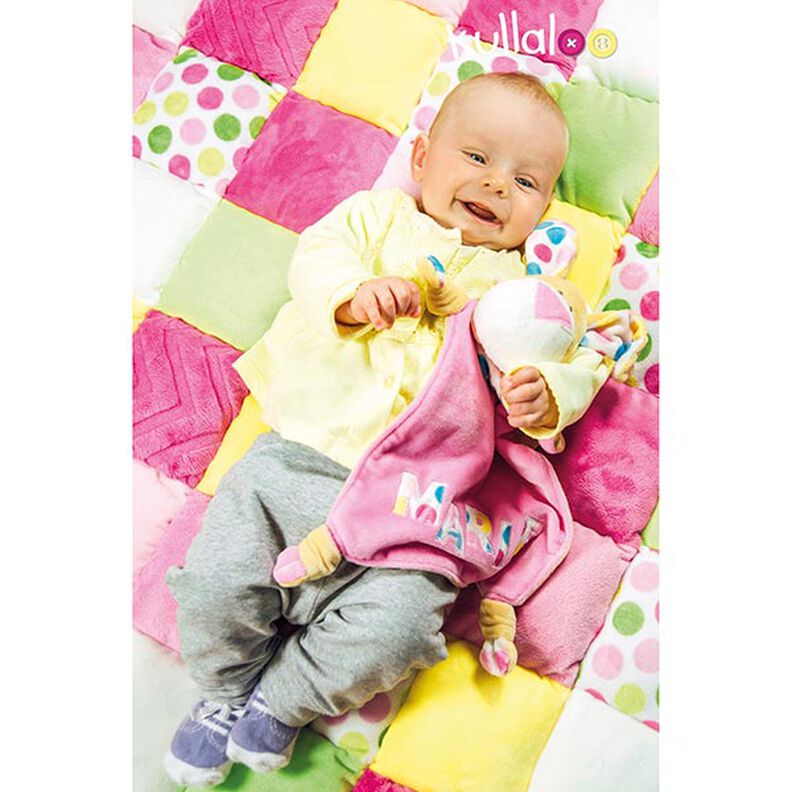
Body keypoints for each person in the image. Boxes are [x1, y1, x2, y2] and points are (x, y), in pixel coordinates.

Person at [164, 72, 609, 788]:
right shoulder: (377, 218)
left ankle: (284, 699)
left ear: (544, 210)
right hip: (298, 462)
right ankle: (224, 688)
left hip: (421, 507)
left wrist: (548, 395)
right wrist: (353, 294)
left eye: (525, 181)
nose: (497, 184)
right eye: (477, 157)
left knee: (402, 628)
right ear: (422, 157)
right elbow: (318, 256)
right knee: (217, 580)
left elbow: (576, 359)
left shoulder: (523, 294)